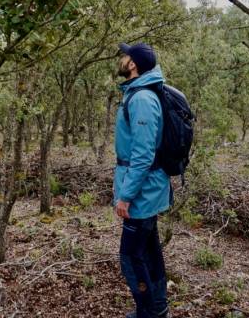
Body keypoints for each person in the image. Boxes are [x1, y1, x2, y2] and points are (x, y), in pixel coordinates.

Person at [113, 42, 170, 318]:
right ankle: (157, 309)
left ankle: (149, 312)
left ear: (133, 64)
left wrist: (126, 195)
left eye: (125, 56)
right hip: (147, 190)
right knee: (148, 251)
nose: (122, 59)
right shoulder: (138, 94)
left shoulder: (142, 99)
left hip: (142, 193)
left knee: (131, 258)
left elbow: (143, 154)